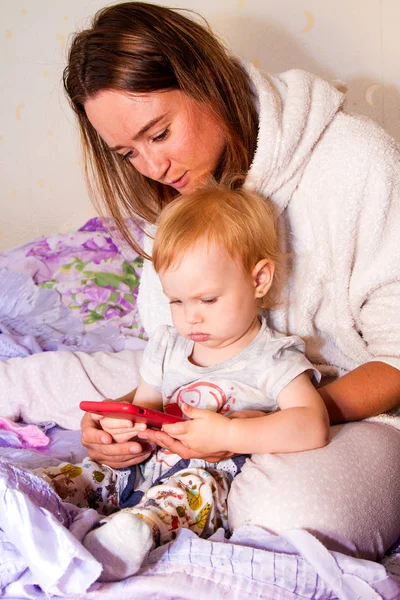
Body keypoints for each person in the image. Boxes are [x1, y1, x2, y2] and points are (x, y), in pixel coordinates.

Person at [4, 0, 400, 562]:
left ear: (206, 78)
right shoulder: (178, 195)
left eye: (159, 133)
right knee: (43, 382)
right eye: (127, 152)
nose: (152, 168)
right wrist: (122, 425)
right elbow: (174, 355)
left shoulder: (357, 163)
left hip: (355, 408)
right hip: (218, 386)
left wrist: (261, 421)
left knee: (284, 521)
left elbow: (398, 357)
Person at [35, 186, 329, 581]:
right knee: (81, 475)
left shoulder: (272, 358)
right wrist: (123, 428)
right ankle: (29, 497)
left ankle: (129, 537)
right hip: (142, 466)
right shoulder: (168, 346)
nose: (191, 318)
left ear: (259, 279)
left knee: (188, 495)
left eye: (207, 300)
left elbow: (312, 425)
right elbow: (147, 406)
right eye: (176, 301)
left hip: (206, 478)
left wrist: (232, 433)